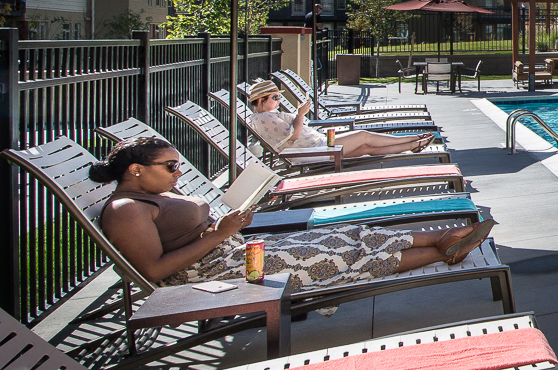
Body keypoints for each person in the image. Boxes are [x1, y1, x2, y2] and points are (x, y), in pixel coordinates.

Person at [92, 137, 494, 289]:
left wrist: (227, 224)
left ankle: (449, 239)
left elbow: (186, 230)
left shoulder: (154, 192)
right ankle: (447, 250)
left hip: (232, 251)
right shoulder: (127, 210)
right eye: (171, 166)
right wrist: (218, 234)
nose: (178, 172)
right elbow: (155, 271)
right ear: (135, 170)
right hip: (219, 271)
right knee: (339, 256)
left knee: (347, 233)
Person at [244, 81, 437, 160]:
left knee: (365, 148)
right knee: (363, 136)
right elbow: (293, 137)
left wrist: (298, 115)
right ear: (261, 100)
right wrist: (300, 114)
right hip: (315, 149)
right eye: (275, 98)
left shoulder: (266, 116)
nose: (278, 101)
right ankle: (413, 139)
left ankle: (412, 145)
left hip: (318, 143)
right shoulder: (264, 118)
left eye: (278, 97)